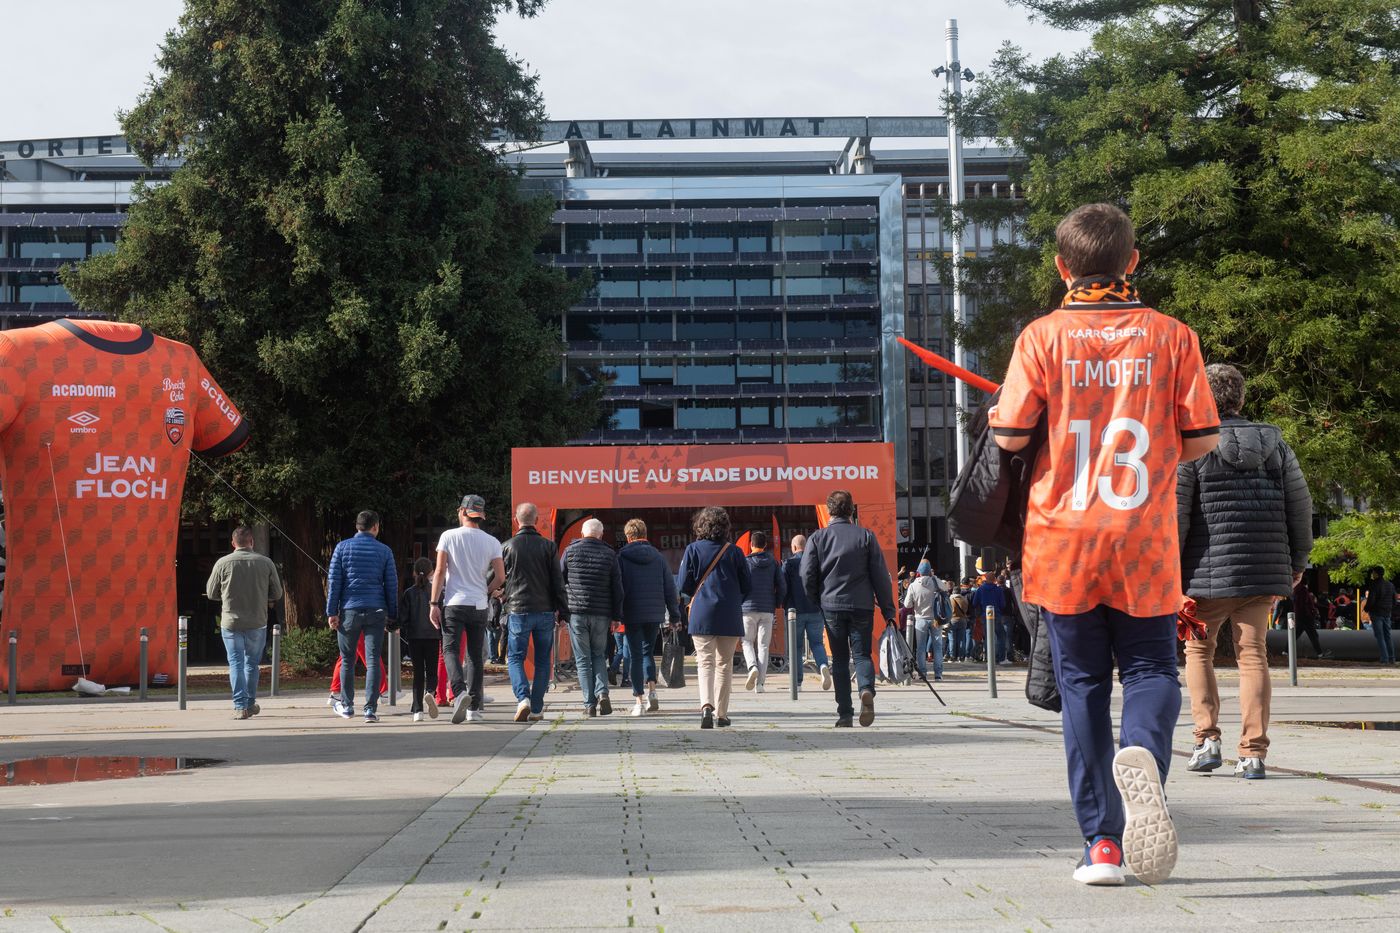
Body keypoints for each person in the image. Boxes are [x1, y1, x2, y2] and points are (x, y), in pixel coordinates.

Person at [990, 202, 1221, 886]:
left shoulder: (1041, 337)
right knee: (1152, 670)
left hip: (1062, 540)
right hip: (1143, 537)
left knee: (1083, 686)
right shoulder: (1173, 337)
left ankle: (1102, 846)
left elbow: (1010, 436)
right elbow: (1203, 439)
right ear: (1133, 262)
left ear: (1063, 267)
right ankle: (1142, 749)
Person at [1177, 363, 1314, 781]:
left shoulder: (1194, 446)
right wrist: (1297, 563)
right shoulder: (1277, 445)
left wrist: (1170, 572)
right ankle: (1253, 754)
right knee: (1253, 656)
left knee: (1198, 651)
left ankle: (1206, 740)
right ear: (1241, 398)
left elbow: (1176, 514)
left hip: (1205, 574)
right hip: (1261, 571)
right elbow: (1300, 508)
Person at [801, 489, 896, 729]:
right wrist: (888, 610)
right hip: (861, 604)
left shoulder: (818, 538)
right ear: (851, 509)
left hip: (831, 605)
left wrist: (816, 599)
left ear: (830, 510)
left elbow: (806, 574)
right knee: (862, 654)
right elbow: (880, 576)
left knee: (840, 659)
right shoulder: (866, 536)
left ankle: (845, 713)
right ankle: (865, 689)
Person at [430, 495, 505, 724]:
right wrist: (486, 591)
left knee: (450, 650)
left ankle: (459, 691)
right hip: (479, 604)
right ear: (481, 515)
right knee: (475, 656)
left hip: (454, 602)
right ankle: (473, 709)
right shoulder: (492, 541)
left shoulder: (448, 536)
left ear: (462, 511)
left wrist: (433, 603)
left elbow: (440, 571)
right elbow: (500, 577)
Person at [677, 506, 751, 729]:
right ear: (725, 527)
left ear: (701, 526)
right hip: (729, 612)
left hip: (702, 612)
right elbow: (747, 585)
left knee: (705, 662)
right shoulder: (735, 552)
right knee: (724, 664)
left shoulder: (692, 549)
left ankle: (706, 707)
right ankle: (721, 714)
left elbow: (683, 585)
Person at [326, 510, 399, 724]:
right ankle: (370, 710)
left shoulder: (342, 548)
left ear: (357, 526)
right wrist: (393, 614)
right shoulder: (384, 551)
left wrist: (332, 611)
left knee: (347, 659)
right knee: (373, 659)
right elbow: (391, 584)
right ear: (375, 526)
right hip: (376, 609)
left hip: (349, 609)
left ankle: (347, 706)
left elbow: (334, 582)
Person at [205, 526, 283, 720]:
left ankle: (240, 706)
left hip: (231, 621)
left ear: (233, 543)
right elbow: (277, 593)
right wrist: (262, 597)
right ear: (252, 542)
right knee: (252, 664)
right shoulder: (265, 562)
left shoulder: (222, 563)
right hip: (257, 621)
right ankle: (249, 703)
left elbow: (211, 592)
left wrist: (226, 596)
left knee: (236, 663)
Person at [501, 502, 568, 722]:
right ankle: (537, 707)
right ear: (537, 520)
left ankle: (523, 699)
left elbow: (497, 576)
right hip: (545, 610)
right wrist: (563, 611)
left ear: (516, 520)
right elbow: (558, 582)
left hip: (517, 609)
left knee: (515, 657)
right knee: (543, 660)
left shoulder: (507, 546)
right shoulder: (548, 547)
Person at [618, 518, 682, 716]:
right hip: (654, 613)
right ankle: (652, 692)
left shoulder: (621, 557)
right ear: (645, 534)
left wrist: (616, 614)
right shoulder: (658, 557)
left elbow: (618, 588)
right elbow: (670, 589)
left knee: (635, 655)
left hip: (632, 613)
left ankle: (638, 701)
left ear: (628, 537)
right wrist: (674, 616)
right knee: (648, 653)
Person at [561, 518, 624, 717]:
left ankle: (589, 704)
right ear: (601, 534)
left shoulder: (569, 552)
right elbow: (617, 589)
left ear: (582, 533)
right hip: (601, 614)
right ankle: (603, 692)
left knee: (582, 659)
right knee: (598, 656)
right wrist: (616, 616)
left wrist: (561, 612)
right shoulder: (610, 554)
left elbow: (559, 582)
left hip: (577, 613)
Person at [740, 530, 786, 694]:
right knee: (764, 646)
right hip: (767, 609)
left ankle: (752, 666)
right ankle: (760, 685)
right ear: (765, 545)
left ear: (751, 545)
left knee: (746, 641)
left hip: (747, 609)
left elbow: (740, 585)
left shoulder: (745, 562)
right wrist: (777, 603)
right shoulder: (773, 563)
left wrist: (740, 602)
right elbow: (782, 585)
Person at [784, 534, 832, 691]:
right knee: (817, 643)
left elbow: (783, 587)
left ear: (794, 547)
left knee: (796, 647)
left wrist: (784, 604)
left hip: (794, 611)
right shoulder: (816, 563)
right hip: (815, 609)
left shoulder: (789, 564)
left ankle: (797, 683)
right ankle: (823, 665)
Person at [398, 557, 440, 722]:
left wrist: (394, 625)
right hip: (433, 636)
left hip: (414, 637)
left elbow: (404, 617)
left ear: (414, 573)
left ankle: (417, 709)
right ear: (431, 573)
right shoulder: (436, 592)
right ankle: (430, 691)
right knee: (432, 670)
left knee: (418, 673)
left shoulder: (409, 593)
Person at [903, 561, 946, 681]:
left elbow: (907, 605)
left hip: (920, 619)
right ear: (930, 571)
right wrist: (934, 577)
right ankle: (938, 674)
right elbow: (945, 588)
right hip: (935, 618)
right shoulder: (935, 581)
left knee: (921, 648)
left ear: (918, 572)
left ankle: (922, 673)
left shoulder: (913, 585)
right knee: (937, 647)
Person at [970, 573, 1008, 664]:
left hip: (985, 615)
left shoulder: (980, 589)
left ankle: (989, 658)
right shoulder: (998, 590)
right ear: (994, 579)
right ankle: (1001, 658)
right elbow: (1003, 604)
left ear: (986, 579)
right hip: (997, 615)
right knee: (1001, 636)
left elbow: (974, 603)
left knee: (988, 637)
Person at [1364, 567, 1397, 665]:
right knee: (1387, 636)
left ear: (1377, 574)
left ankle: (1384, 659)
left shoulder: (1374, 585)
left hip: (1377, 613)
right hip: (1387, 613)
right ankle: (1392, 658)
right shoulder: (1390, 585)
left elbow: (1371, 600)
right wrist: (1389, 608)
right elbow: (1394, 600)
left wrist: (1366, 609)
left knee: (1380, 636)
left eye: (1373, 573)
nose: (1372, 574)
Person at [1291, 579, 1328, 658]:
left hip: (1300, 616)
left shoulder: (1296, 591)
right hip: (1306, 617)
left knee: (1296, 635)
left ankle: (1286, 651)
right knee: (1313, 635)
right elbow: (1306, 604)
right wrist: (1311, 613)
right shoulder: (1303, 591)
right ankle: (1320, 653)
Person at [949, 583, 971, 662]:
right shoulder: (964, 599)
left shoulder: (950, 599)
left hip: (953, 619)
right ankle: (961, 656)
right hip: (963, 619)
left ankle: (952, 656)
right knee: (961, 639)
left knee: (952, 639)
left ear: (953, 591)